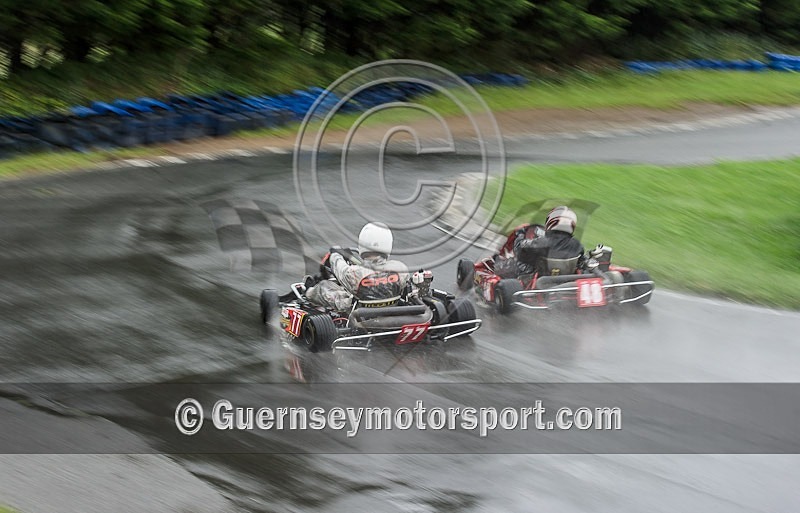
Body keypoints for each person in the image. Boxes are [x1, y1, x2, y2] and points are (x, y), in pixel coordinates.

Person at [305, 222, 409, 310]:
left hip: (360, 315)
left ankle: (307, 292)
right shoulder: (400, 269)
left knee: (323, 287)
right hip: (393, 309)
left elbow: (338, 267)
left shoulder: (353, 273)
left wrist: (335, 254)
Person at [513, 206, 585, 277]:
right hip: (565, 282)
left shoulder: (541, 243)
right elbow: (581, 263)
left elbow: (519, 251)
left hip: (539, 282)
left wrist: (521, 233)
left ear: (551, 222)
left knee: (514, 264)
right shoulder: (577, 246)